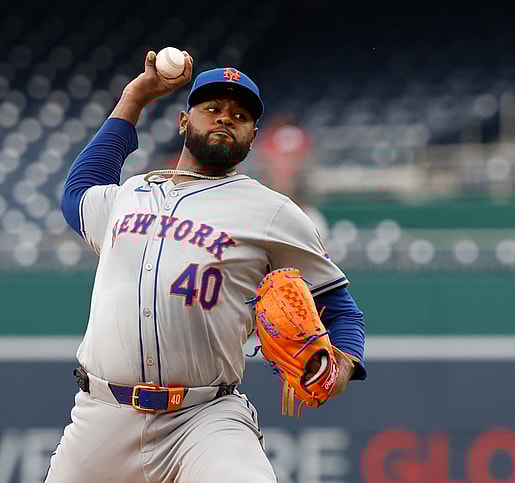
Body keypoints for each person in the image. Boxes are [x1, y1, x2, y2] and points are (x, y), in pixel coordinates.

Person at [48, 50, 366, 482]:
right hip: (101, 416)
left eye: (239, 115)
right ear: (184, 122)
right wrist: (134, 98)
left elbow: (340, 308)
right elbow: (77, 194)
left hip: (204, 417)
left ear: (253, 135)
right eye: (212, 109)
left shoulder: (273, 212)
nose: (224, 118)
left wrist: (342, 365)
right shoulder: (131, 193)